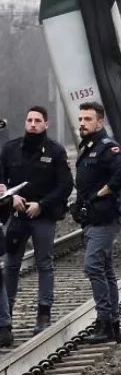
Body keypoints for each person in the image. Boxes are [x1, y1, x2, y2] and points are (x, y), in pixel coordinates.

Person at [0, 106, 74, 346]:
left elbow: (65, 185)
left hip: (42, 215)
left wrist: (41, 205)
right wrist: (11, 198)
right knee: (11, 264)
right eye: (29, 119)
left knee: (44, 263)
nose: (32, 124)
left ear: (46, 124)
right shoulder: (10, 149)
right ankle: (6, 314)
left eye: (37, 120)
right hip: (16, 215)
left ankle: (44, 312)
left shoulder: (55, 151)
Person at [73, 101, 121, 343]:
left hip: (105, 216)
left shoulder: (108, 148)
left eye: (88, 119)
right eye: (81, 120)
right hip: (92, 218)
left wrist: (101, 193)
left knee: (93, 266)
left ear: (100, 122)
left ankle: (104, 321)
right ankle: (112, 323)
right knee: (105, 269)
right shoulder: (88, 146)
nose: (83, 124)